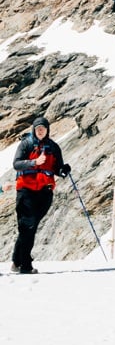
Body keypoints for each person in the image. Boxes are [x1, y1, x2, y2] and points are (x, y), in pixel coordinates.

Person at [11, 116, 69, 275]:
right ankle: (25, 266)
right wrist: (34, 162)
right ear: (34, 130)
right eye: (38, 129)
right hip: (26, 190)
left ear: (47, 130)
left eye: (43, 128)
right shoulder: (26, 144)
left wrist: (63, 171)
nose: (41, 131)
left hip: (45, 192)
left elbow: (57, 168)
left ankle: (17, 261)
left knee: (30, 227)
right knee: (27, 226)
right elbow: (16, 164)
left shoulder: (54, 147)